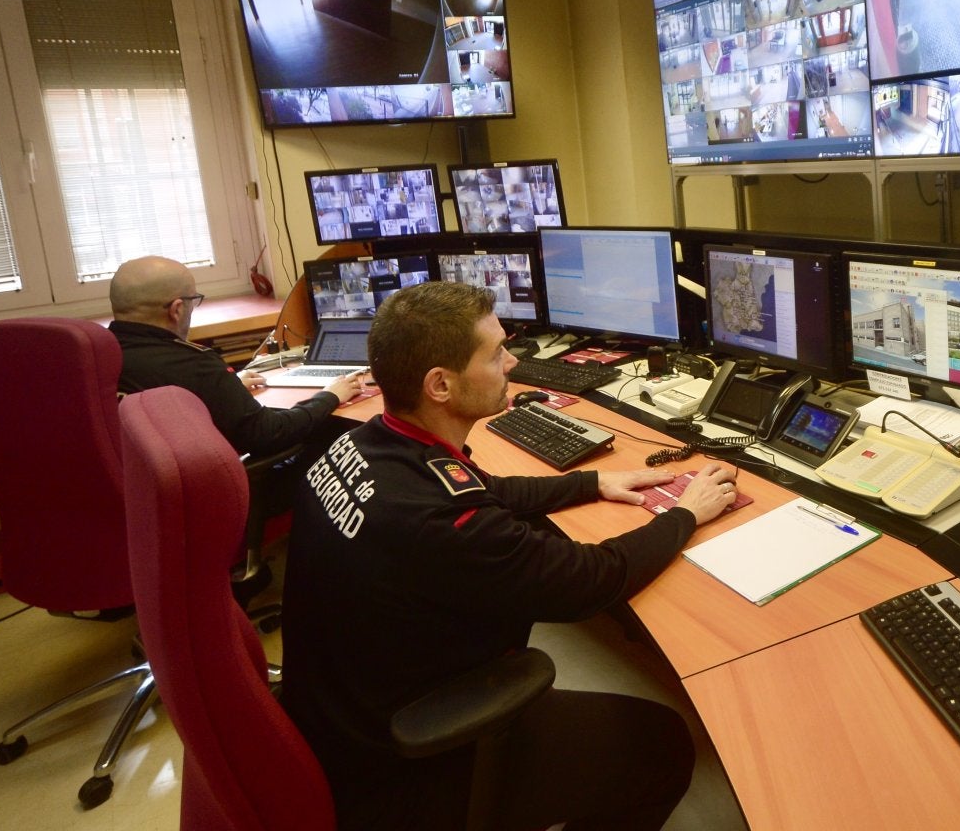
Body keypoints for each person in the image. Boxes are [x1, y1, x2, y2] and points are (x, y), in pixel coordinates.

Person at [282, 282, 738, 831]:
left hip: (339, 714)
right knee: (661, 744)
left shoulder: (366, 443)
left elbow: (482, 487)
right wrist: (685, 513)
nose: (513, 361)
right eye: (496, 353)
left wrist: (593, 481)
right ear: (441, 385)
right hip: (404, 761)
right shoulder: (447, 526)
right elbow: (592, 580)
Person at [108, 255, 366, 459]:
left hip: (142, 488)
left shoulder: (101, 355)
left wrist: (225, 387)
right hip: (225, 489)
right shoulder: (193, 364)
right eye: (192, 301)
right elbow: (269, 434)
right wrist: (330, 396)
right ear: (176, 309)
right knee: (334, 436)